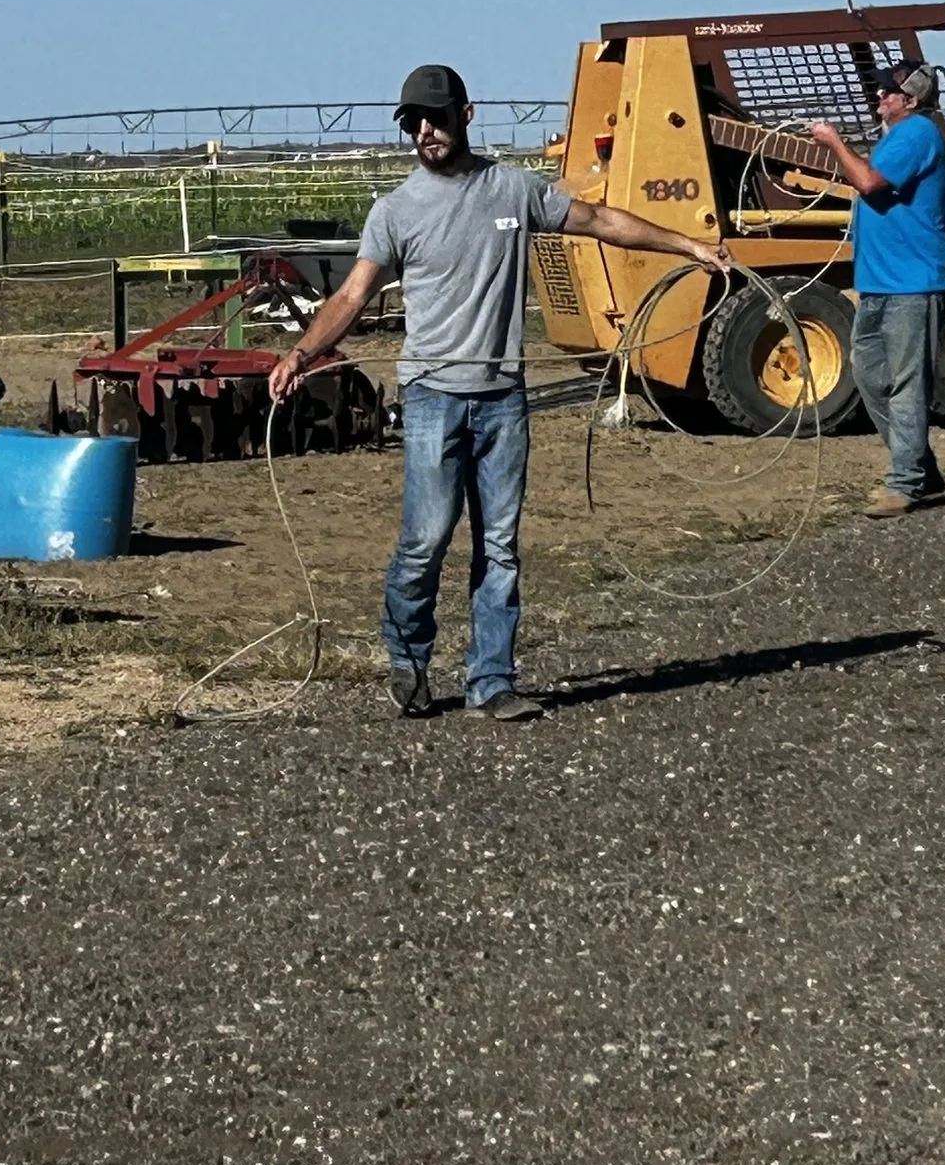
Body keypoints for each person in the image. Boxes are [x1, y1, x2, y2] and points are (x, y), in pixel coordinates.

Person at [270, 64, 733, 722]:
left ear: (467, 113)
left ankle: (492, 680)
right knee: (426, 538)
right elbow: (352, 294)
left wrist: (689, 245)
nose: (425, 132)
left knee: (500, 545)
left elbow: (599, 221)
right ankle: (408, 660)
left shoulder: (513, 189)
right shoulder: (395, 211)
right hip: (433, 395)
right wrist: (300, 353)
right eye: (414, 123)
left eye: (435, 117)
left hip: (501, 399)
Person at [810, 59, 945, 518]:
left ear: (910, 100)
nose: (879, 97)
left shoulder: (916, 134)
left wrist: (834, 142)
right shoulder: (895, 137)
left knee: (907, 384)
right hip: (880, 284)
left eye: (887, 93)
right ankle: (917, 466)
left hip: (914, 284)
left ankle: (904, 483)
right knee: (871, 375)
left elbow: (869, 182)